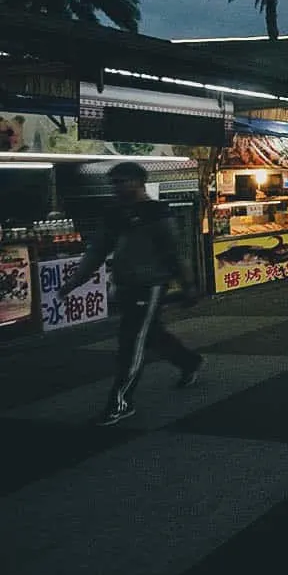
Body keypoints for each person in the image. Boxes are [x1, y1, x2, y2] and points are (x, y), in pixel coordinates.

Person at [57, 162, 203, 427]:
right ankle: (189, 361)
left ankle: (120, 402)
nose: (117, 187)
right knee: (151, 334)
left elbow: (175, 252)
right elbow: (97, 252)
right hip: (126, 285)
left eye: (123, 181)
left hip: (151, 285)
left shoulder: (157, 212)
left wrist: (188, 284)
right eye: (114, 182)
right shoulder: (113, 214)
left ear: (139, 182)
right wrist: (73, 283)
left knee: (132, 341)